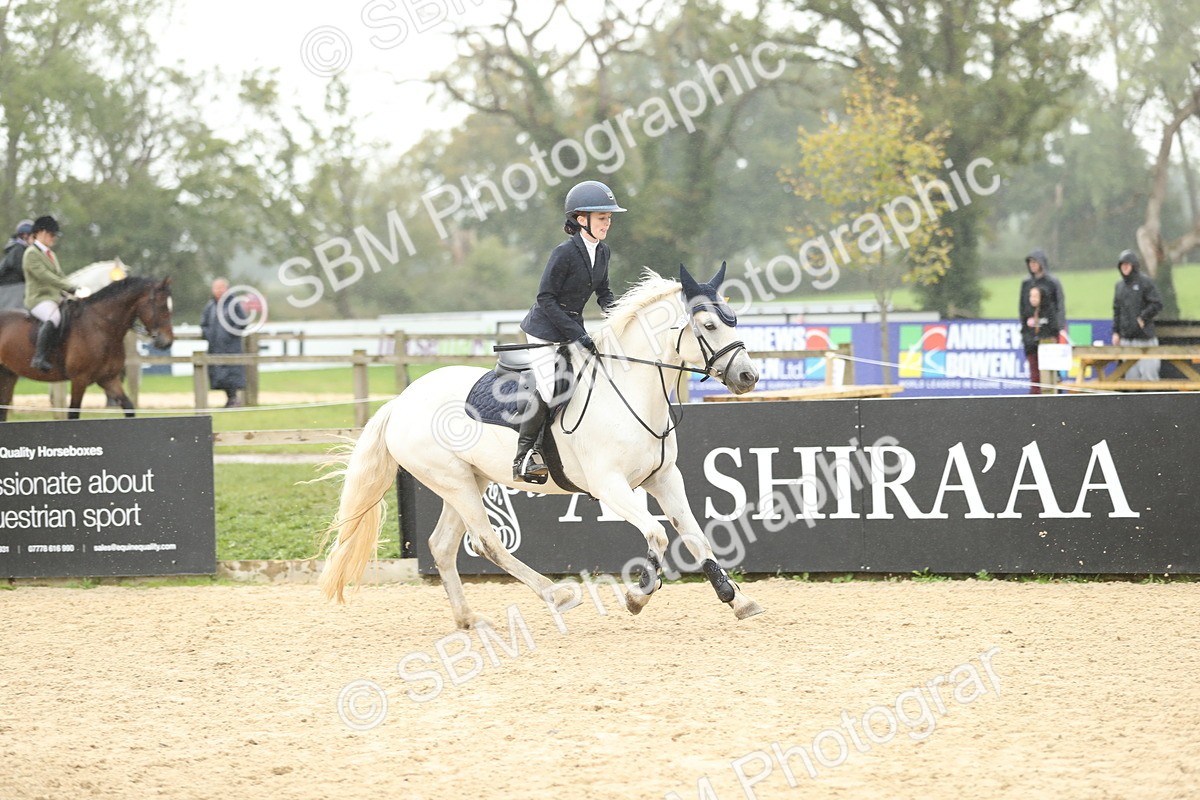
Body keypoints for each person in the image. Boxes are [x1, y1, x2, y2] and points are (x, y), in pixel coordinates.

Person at [513, 180, 625, 482]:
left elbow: (603, 291)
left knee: (593, 379)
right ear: (580, 219)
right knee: (550, 388)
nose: (608, 223)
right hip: (544, 329)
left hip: (572, 327)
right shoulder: (563, 253)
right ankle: (524, 456)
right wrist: (576, 334)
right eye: (603, 218)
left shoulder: (602, 252)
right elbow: (545, 298)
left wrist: (619, 316)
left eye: (609, 218)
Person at [23, 216, 81, 371]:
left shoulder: (51, 254)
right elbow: (46, 277)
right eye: (51, 234)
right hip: (39, 299)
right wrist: (70, 288)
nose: (54, 238)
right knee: (53, 317)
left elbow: (60, 276)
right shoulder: (31, 254)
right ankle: (39, 357)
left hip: (55, 298)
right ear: (40, 232)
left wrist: (76, 288)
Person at [1112, 249, 1164, 381]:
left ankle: (1152, 402)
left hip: (1145, 338)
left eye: (1127, 265)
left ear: (1133, 266)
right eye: (1122, 265)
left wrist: (1143, 317)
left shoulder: (1145, 282)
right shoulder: (1119, 286)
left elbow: (1157, 304)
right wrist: (1116, 332)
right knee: (1131, 378)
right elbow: (1117, 310)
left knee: (1149, 376)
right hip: (1127, 339)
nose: (1124, 268)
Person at [200, 278, 247, 407]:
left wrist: (231, 334)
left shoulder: (234, 304)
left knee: (232, 373)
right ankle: (230, 399)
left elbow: (242, 321)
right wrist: (209, 335)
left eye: (221, 287)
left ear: (227, 288)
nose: (219, 291)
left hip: (231, 347)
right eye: (216, 288)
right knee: (219, 375)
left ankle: (234, 399)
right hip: (215, 347)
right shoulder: (210, 306)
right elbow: (204, 324)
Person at [1020, 285, 1061, 394]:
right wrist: (1030, 341)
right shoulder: (1027, 311)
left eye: (1035, 296)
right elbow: (1024, 330)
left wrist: (1042, 340)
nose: (1033, 299)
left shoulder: (1049, 310)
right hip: (1032, 349)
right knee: (1035, 377)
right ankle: (1035, 398)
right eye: (1031, 296)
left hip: (1047, 350)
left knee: (1050, 376)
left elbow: (1054, 329)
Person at [0, 219, 34, 310]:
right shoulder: (18, 249)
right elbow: (22, 270)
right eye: (33, 237)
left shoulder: (22, 249)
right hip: (10, 287)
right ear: (25, 236)